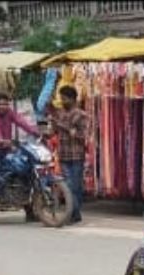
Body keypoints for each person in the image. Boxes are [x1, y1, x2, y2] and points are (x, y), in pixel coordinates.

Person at [0, 91, 40, 205]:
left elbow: (21, 122)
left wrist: (34, 131)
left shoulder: (10, 113)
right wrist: (0, 138)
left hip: (7, 146)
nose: (3, 106)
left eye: (5, 104)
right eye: (0, 104)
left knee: (24, 165)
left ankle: (27, 202)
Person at [50, 85, 89, 225]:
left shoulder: (81, 115)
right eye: (61, 98)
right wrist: (54, 125)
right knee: (68, 185)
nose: (62, 101)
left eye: (65, 98)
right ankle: (74, 213)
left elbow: (83, 135)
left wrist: (70, 130)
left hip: (76, 155)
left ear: (72, 99)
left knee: (75, 186)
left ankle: (75, 213)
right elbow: (54, 132)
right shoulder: (60, 114)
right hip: (63, 154)